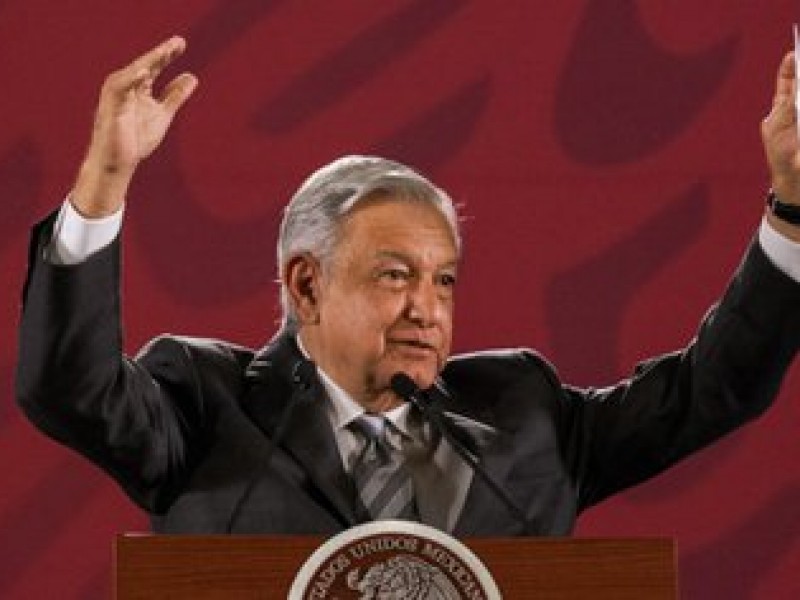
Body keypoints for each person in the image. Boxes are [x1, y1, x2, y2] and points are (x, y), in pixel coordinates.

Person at [15, 37, 800, 535]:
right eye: (395, 276)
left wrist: (793, 210)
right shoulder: (201, 404)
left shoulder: (523, 412)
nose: (428, 309)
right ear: (306, 285)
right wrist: (104, 183)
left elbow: (713, 390)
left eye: (444, 280)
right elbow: (69, 389)